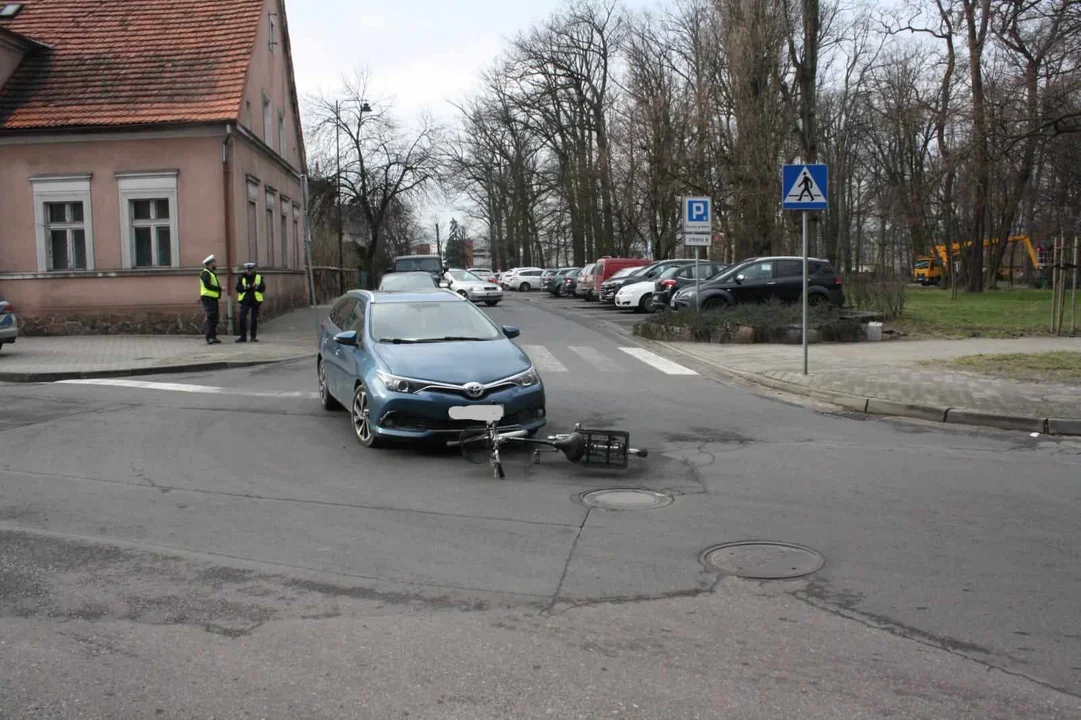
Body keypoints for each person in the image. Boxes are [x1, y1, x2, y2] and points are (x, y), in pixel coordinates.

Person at [235, 262, 266, 343]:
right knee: (242, 317)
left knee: (254, 319)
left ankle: (253, 336)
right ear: (245, 270)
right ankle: (243, 337)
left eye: (250, 270)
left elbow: (263, 288)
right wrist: (246, 287)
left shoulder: (258, 277)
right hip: (245, 300)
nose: (249, 271)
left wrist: (256, 286)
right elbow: (238, 288)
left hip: (255, 300)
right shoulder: (242, 277)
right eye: (247, 270)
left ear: (252, 270)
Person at [199, 255, 222, 344]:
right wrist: (219, 288)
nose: (215, 264)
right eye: (214, 262)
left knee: (214, 317)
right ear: (210, 264)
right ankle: (209, 337)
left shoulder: (211, 273)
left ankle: (213, 336)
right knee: (211, 317)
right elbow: (207, 285)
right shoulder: (206, 273)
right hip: (208, 298)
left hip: (212, 298)